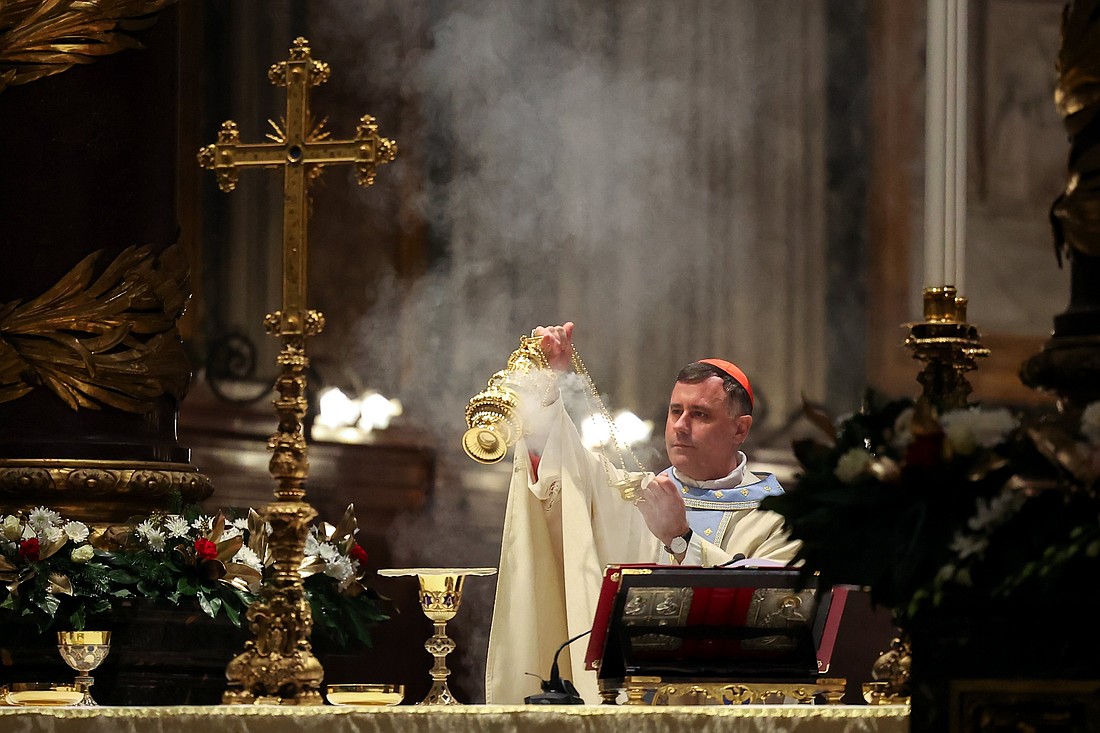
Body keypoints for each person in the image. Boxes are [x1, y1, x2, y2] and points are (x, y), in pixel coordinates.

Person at [484, 322, 800, 704]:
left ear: (740, 429)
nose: (680, 427)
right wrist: (548, 391)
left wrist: (681, 540)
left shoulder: (778, 518)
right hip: (635, 706)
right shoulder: (634, 494)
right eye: (675, 411)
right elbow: (565, 474)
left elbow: (774, 617)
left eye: (700, 415)